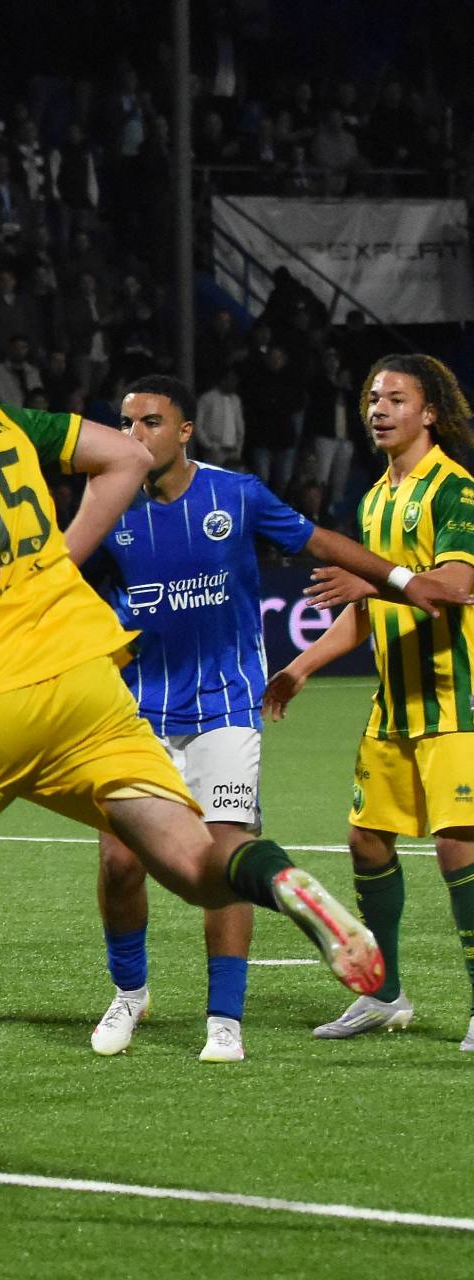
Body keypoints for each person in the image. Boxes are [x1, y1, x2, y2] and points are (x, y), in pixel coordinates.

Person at [0, 326, 381, 1208]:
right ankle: (283, 885)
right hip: (87, 677)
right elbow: (123, 457)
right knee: (199, 865)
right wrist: (57, 560)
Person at [86, 375, 455, 1064]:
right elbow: (63, 577)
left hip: (226, 706)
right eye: (126, 424)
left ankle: (224, 1019)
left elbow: (320, 542)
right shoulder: (106, 508)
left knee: (225, 857)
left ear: (186, 430)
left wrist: (403, 582)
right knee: (117, 861)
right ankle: (129, 994)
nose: (135, 436)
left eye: (151, 422)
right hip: (137, 712)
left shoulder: (237, 494)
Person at [264, 354, 474, 1054]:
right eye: (373, 398)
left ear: (431, 412)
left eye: (396, 399)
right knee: (366, 840)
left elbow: (448, 587)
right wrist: (298, 667)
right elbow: (365, 609)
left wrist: (374, 585)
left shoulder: (456, 489)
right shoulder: (376, 497)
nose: (379, 409)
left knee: (456, 848)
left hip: (455, 700)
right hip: (395, 706)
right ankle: (384, 997)